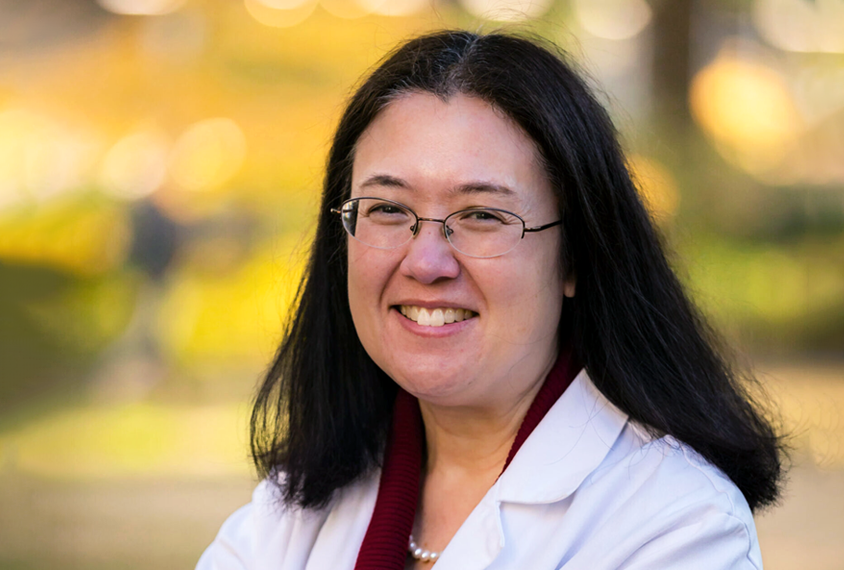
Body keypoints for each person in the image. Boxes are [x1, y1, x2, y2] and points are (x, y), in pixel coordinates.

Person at [197, 30, 784, 570]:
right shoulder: (292, 511)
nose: (425, 263)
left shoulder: (677, 523)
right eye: (388, 209)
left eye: (481, 215)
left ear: (576, 257)